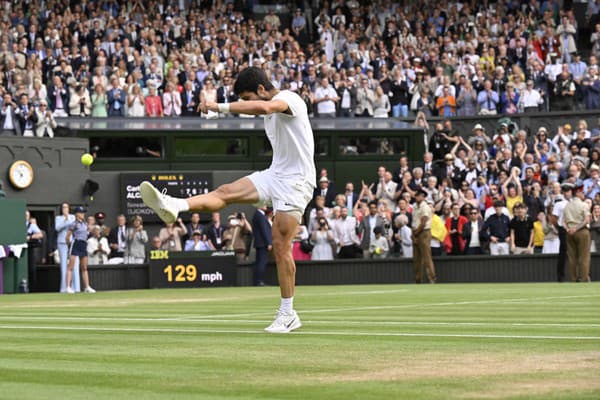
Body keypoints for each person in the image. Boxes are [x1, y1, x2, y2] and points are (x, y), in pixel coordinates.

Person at [140, 67, 315, 333]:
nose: (246, 104)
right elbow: (261, 109)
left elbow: (266, 108)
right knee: (225, 192)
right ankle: (176, 205)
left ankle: (288, 313)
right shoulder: (269, 107)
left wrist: (218, 107)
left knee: (280, 246)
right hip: (276, 175)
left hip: (297, 183)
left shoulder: (291, 99)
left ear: (259, 90)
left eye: (246, 98)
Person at [563, 185, 592, 282]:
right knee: (584, 256)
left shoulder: (567, 205)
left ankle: (573, 278)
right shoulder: (584, 205)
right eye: (582, 192)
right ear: (578, 192)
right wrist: (576, 228)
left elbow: (563, 221)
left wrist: (568, 229)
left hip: (569, 233)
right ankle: (583, 278)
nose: (583, 194)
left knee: (572, 257)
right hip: (582, 231)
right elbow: (587, 220)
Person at [65, 207, 95, 293]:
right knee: (70, 266)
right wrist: (69, 245)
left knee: (84, 267)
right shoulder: (74, 224)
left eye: (83, 213)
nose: (83, 214)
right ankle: (68, 287)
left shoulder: (85, 224)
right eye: (81, 213)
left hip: (83, 244)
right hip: (75, 243)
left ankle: (87, 287)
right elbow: (67, 236)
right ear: (76, 214)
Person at [411, 189, 436, 283]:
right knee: (416, 259)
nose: (417, 197)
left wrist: (416, 232)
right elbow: (414, 221)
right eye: (416, 195)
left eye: (419, 195)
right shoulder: (414, 206)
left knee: (426, 257)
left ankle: (432, 278)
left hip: (424, 232)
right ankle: (418, 279)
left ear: (423, 197)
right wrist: (413, 233)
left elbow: (424, 221)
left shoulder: (425, 207)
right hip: (416, 232)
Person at [55, 203, 79, 292]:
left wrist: (67, 220)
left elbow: (75, 226)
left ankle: (76, 288)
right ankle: (64, 288)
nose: (64, 209)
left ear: (69, 208)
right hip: (62, 242)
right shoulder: (58, 218)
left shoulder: (72, 217)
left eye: (66, 207)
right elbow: (57, 228)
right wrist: (65, 221)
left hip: (72, 241)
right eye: (63, 207)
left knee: (75, 264)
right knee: (63, 265)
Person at [251, 205, 272, 286]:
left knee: (259, 262)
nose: (265, 206)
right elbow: (264, 230)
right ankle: (259, 281)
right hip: (262, 243)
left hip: (259, 243)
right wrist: (268, 242)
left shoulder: (258, 215)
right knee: (261, 263)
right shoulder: (260, 216)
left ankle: (258, 281)